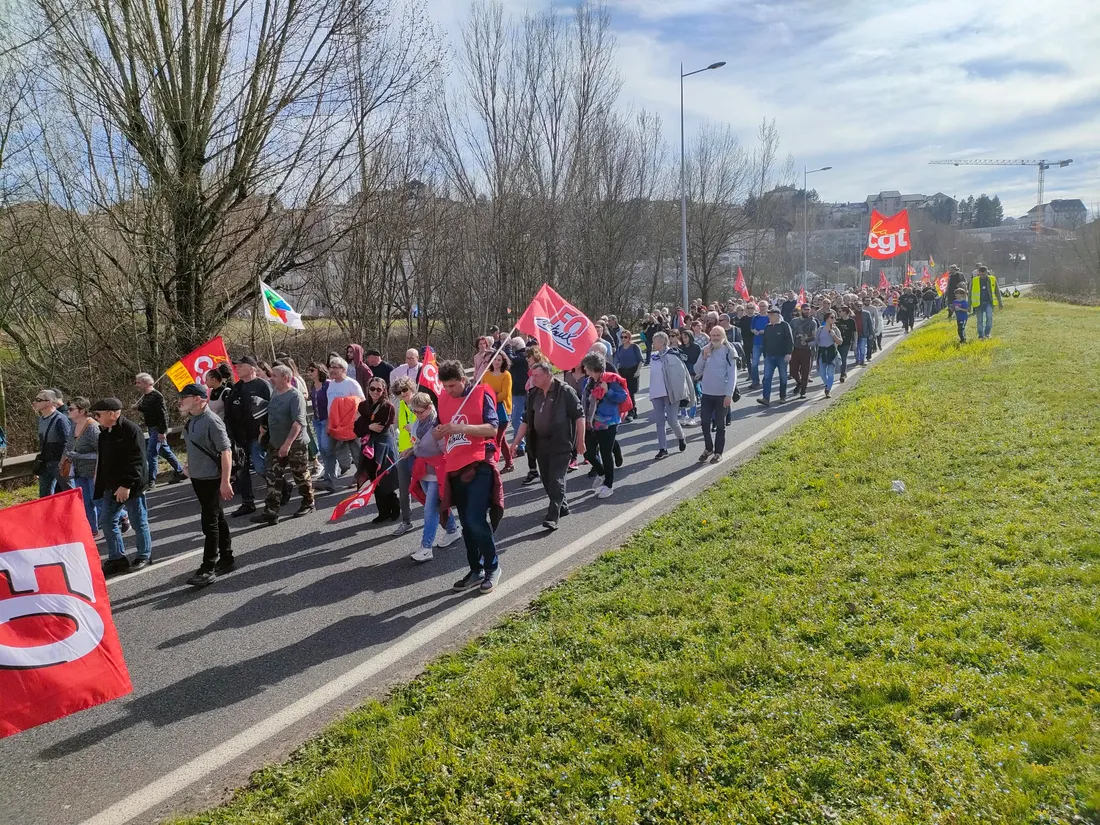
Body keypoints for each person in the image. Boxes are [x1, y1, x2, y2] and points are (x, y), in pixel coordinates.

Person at [435, 360, 504, 593]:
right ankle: (476, 569)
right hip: (454, 465)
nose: (449, 391)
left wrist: (461, 429)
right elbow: (439, 427)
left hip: (479, 462)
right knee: (466, 524)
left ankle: (492, 566)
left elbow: (492, 429)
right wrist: (437, 432)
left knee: (475, 519)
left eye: (453, 386)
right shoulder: (443, 398)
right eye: (445, 386)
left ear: (463, 380)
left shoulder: (481, 393)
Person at [511, 361, 585, 530]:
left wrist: (581, 441)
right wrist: (515, 442)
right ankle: (562, 506)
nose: (533, 379)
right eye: (532, 375)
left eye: (537, 375)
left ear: (548, 374)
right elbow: (526, 420)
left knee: (556, 479)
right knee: (546, 479)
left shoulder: (565, 391)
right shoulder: (533, 394)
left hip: (561, 442)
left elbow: (579, 416)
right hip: (540, 443)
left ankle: (552, 516)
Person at [178, 383, 235, 587]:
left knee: (209, 522)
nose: (180, 401)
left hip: (211, 479)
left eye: (185, 397)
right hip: (198, 478)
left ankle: (207, 567)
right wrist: (187, 465)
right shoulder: (191, 421)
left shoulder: (212, 421)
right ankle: (227, 557)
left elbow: (226, 452)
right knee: (217, 517)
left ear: (198, 399)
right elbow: (193, 446)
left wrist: (225, 481)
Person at [91, 397, 153, 576]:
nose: (96, 417)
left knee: (137, 520)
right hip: (111, 486)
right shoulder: (104, 434)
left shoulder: (131, 430)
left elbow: (137, 461)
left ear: (112, 413)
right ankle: (117, 557)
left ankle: (144, 555)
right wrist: (100, 486)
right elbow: (103, 462)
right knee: (107, 520)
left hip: (131, 486)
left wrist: (126, 485)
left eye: (99, 414)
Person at [251, 365, 314, 525]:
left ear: (286, 378)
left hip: (295, 445)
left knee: (300, 475)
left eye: (275, 376)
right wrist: (263, 430)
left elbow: (298, 422)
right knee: (272, 476)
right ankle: (271, 513)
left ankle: (308, 502)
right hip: (275, 443)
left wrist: (287, 445)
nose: (271, 378)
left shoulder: (295, 396)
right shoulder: (275, 393)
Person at [407, 392, 462, 561]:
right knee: (437, 504)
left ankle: (426, 547)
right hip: (423, 470)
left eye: (420, 411)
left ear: (430, 408)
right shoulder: (418, 422)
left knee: (430, 509)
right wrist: (411, 450)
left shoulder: (438, 425)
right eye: (414, 411)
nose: (417, 414)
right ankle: (452, 530)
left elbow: (447, 449)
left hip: (437, 472)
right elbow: (417, 443)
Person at [224, 356, 271, 515]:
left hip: (257, 436)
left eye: (240, 365)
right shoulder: (236, 388)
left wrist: (265, 430)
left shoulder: (262, 385)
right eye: (236, 366)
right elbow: (228, 413)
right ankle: (247, 502)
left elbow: (271, 409)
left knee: (260, 467)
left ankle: (282, 487)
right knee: (242, 472)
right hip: (240, 438)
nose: (236, 368)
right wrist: (230, 435)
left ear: (252, 368)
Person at [579, 352, 628, 500]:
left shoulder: (610, 379)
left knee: (606, 454)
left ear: (593, 367)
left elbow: (623, 396)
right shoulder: (589, 381)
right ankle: (601, 473)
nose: (584, 369)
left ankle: (609, 485)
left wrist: (609, 391)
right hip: (591, 423)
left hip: (608, 423)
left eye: (586, 367)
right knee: (588, 452)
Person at [354, 376, 400, 524]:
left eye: (378, 389)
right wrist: (367, 426)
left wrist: (363, 423)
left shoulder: (388, 407)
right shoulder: (362, 406)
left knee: (385, 478)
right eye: (372, 388)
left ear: (383, 390)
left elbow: (380, 427)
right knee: (374, 480)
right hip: (368, 447)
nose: (375, 392)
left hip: (383, 446)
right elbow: (356, 429)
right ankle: (383, 512)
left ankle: (395, 507)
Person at [316, 357, 364, 493]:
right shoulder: (331, 384)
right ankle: (330, 479)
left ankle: (360, 477)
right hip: (335, 425)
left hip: (351, 427)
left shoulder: (351, 384)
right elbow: (330, 406)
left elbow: (362, 402)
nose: (331, 370)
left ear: (343, 369)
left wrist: (357, 422)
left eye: (335, 367)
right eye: (330, 367)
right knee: (330, 451)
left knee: (357, 454)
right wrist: (328, 424)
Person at [694, 325, 738, 463]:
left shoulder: (729, 351)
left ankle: (718, 452)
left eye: (718, 335)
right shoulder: (706, 349)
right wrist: (703, 356)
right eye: (712, 335)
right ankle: (708, 448)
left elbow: (732, 375)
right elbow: (696, 369)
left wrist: (729, 394)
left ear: (723, 336)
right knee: (705, 422)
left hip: (722, 394)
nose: (714, 338)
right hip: (707, 393)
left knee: (720, 425)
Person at [133, 373, 185, 488]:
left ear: (146, 383)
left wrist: (162, 432)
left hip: (157, 428)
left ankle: (151, 480)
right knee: (165, 451)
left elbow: (163, 415)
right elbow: (150, 411)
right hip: (151, 428)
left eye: (138, 382)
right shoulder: (146, 396)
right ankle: (179, 470)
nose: (136, 385)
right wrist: (139, 408)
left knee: (151, 454)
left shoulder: (157, 396)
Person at [648, 331, 691, 459]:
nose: (653, 343)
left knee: (672, 421)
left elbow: (680, 376)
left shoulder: (673, 355)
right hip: (656, 393)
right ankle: (663, 448)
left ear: (662, 342)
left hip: (670, 393)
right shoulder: (653, 356)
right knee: (660, 422)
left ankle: (681, 437)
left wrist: (681, 392)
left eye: (655, 341)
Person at [66, 397, 102, 536]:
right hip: (79, 470)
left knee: (97, 500)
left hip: (93, 470)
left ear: (81, 411)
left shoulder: (93, 428)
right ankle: (92, 530)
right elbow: (69, 444)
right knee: (86, 502)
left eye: (71, 409)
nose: (68, 411)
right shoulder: (74, 425)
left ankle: (122, 516)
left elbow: (101, 451)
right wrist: (65, 458)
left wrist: (80, 456)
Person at [391, 377, 420, 536]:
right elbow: (396, 426)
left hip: (420, 452)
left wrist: (413, 428)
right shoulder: (401, 404)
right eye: (399, 392)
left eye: (404, 390)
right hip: (404, 452)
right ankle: (406, 521)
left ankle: (446, 522)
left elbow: (430, 426)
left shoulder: (422, 403)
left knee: (428, 489)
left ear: (411, 388)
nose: (403, 394)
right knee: (403, 490)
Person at [33, 388, 74, 497]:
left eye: (39, 399)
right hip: (45, 462)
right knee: (44, 496)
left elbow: (68, 442)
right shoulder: (41, 419)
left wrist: (63, 461)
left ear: (50, 402)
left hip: (59, 463)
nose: (35, 402)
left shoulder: (61, 419)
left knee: (70, 492)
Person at [480, 350, 515, 473]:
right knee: (502, 439)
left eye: (499, 360)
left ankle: (493, 466)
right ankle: (509, 462)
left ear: (503, 361)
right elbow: (482, 391)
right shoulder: (486, 374)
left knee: (497, 439)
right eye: (495, 359)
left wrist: (490, 399)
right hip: (489, 411)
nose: (496, 362)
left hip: (502, 410)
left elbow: (504, 394)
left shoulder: (506, 375)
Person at [757, 307, 793, 407]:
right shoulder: (767, 327)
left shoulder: (784, 325)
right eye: (769, 315)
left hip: (782, 356)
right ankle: (766, 398)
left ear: (777, 315)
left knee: (783, 377)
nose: (770, 317)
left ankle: (783, 397)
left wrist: (789, 353)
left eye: (772, 315)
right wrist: (765, 355)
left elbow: (790, 339)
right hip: (769, 356)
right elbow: (765, 341)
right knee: (767, 377)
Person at [789, 304, 819, 400]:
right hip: (794, 348)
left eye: (808, 310)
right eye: (805, 310)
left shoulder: (812, 322)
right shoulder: (794, 321)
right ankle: (799, 382)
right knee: (793, 371)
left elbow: (814, 335)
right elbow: (789, 334)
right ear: (801, 310)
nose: (807, 311)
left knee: (805, 371)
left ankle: (803, 390)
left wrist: (807, 339)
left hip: (806, 349)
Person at [506, 337, 529, 457]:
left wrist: (508, 346)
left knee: (516, 419)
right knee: (520, 419)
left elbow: (512, 359)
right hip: (518, 390)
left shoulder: (523, 356)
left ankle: (520, 445)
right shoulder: (521, 356)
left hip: (521, 391)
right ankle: (520, 445)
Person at [613, 329, 643, 421]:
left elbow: (640, 360)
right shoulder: (620, 348)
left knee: (631, 392)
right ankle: (630, 411)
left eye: (625, 337)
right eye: (622, 337)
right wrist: (617, 372)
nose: (623, 339)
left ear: (629, 337)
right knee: (625, 393)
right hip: (623, 371)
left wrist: (637, 371)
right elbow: (616, 361)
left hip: (633, 371)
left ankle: (632, 412)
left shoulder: (634, 347)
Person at [970, 265, 1003, 340]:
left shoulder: (992, 279)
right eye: (980, 275)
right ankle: (981, 335)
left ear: (987, 273)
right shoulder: (974, 280)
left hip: (989, 303)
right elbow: (970, 294)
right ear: (978, 273)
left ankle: (987, 333)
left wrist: (1000, 302)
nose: (982, 276)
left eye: (984, 274)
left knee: (989, 317)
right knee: (980, 320)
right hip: (978, 304)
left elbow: (997, 291)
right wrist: (969, 305)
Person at [816, 312, 843, 398]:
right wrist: (807, 343)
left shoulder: (835, 329)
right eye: (832, 317)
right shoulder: (820, 329)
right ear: (827, 319)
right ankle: (827, 384)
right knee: (822, 373)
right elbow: (816, 341)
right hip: (822, 353)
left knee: (830, 373)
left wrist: (833, 335)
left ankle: (828, 390)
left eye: (834, 318)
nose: (834, 319)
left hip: (832, 353)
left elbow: (840, 342)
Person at [749, 301, 769, 389]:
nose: (762, 308)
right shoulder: (755, 317)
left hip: (767, 343)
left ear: (767, 307)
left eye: (764, 306)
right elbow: (752, 328)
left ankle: (766, 381)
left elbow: (773, 328)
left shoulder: (769, 317)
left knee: (767, 363)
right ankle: (755, 381)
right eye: (761, 306)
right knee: (754, 363)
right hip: (756, 342)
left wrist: (764, 332)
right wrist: (754, 331)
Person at [835, 305, 856, 382]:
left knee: (843, 357)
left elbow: (854, 332)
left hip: (846, 342)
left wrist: (855, 342)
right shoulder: (837, 321)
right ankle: (843, 371)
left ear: (845, 312)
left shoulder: (851, 321)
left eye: (840, 311)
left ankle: (842, 374)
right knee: (837, 358)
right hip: (837, 342)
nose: (839, 313)